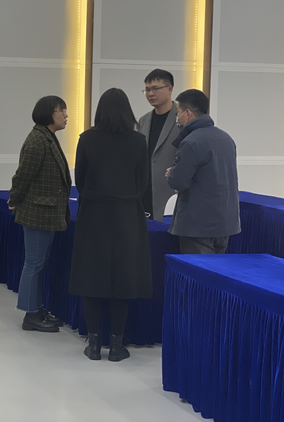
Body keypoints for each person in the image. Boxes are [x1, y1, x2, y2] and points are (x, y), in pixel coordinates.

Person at [70, 88, 152, 362]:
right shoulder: (138, 141)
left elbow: (80, 180)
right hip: (127, 214)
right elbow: (142, 182)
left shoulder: (87, 139)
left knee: (91, 278)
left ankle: (93, 345)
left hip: (93, 214)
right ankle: (117, 345)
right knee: (123, 279)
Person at [7, 96, 71, 333]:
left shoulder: (47, 137)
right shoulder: (37, 140)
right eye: (61, 111)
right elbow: (23, 176)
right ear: (48, 114)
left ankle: (36, 307)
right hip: (37, 211)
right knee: (33, 263)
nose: (65, 115)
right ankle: (30, 314)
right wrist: (14, 199)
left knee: (38, 263)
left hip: (46, 212)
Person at [167, 89, 240, 254]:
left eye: (178, 113)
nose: (177, 118)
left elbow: (178, 181)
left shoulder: (191, 142)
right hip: (225, 222)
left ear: (187, 113)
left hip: (198, 224)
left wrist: (172, 173)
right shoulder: (226, 138)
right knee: (216, 269)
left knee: (197, 269)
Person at [137, 69, 180, 221]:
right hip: (145, 191)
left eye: (155, 88)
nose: (150, 94)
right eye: (147, 90)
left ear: (170, 89)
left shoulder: (181, 118)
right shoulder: (144, 120)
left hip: (171, 193)